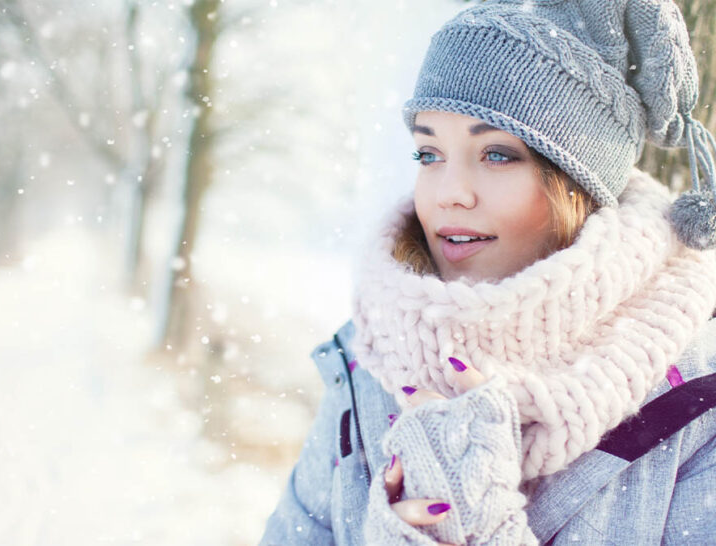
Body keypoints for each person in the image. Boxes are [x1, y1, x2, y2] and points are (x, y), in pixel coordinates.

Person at [260, 0, 716, 544]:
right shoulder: (372, 355)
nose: (449, 193)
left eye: (498, 154)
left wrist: (476, 520)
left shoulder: (695, 402)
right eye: (429, 154)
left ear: (580, 184)